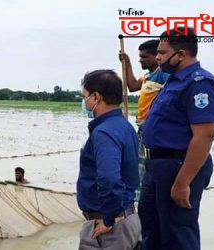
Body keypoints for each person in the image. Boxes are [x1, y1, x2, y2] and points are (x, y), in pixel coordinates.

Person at [140, 27, 214, 250]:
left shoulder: (199, 83)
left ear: (181, 54)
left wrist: (183, 182)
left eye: (163, 53)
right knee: (151, 227)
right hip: (157, 165)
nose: (157, 58)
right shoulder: (173, 81)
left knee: (177, 232)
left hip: (179, 165)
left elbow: (205, 135)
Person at [77, 70, 141, 250]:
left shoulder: (104, 132)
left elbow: (109, 179)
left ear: (96, 97)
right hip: (127, 217)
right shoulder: (125, 126)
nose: (84, 102)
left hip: (109, 227)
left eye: (85, 96)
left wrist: (108, 219)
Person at [119, 40, 170, 190]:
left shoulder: (163, 75)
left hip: (153, 128)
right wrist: (127, 63)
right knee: (138, 164)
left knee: (145, 166)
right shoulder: (148, 76)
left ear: (157, 56)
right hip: (142, 128)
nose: (140, 60)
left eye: (144, 57)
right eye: (140, 57)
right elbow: (133, 85)